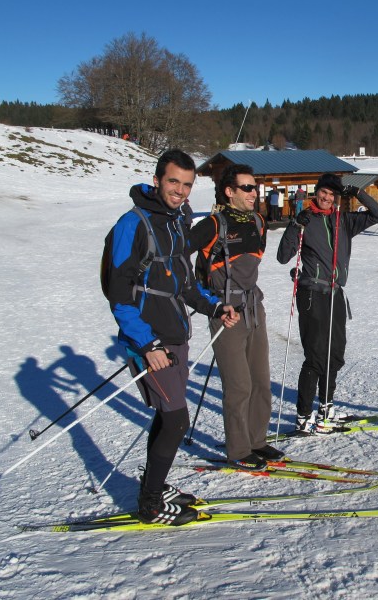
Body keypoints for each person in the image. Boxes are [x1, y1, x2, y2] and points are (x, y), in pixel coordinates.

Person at [104, 149, 240, 526]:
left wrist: (215, 307)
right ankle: (150, 505)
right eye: (173, 182)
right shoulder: (133, 224)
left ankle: (154, 482)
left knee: (167, 418)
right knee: (177, 419)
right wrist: (147, 345)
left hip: (175, 336)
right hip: (152, 342)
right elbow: (119, 294)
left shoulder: (176, 223)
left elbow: (185, 284)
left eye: (186, 184)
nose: (180, 190)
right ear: (157, 179)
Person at [276, 173, 378, 432]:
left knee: (334, 354)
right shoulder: (306, 220)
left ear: (336, 198)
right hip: (312, 294)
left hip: (336, 294)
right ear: (316, 193)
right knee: (315, 356)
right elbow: (283, 257)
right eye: (322, 193)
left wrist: (357, 192)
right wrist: (295, 225)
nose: (325, 198)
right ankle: (303, 417)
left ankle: (326, 408)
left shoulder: (343, 220)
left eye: (331, 195)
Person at [190, 164, 282, 469]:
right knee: (239, 386)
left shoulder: (258, 222)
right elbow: (177, 255)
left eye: (254, 187)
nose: (254, 193)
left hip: (255, 309)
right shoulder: (213, 225)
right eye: (247, 188)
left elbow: (252, 264)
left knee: (261, 383)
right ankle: (239, 449)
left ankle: (257, 441)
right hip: (226, 314)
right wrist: (209, 302)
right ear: (229, 191)